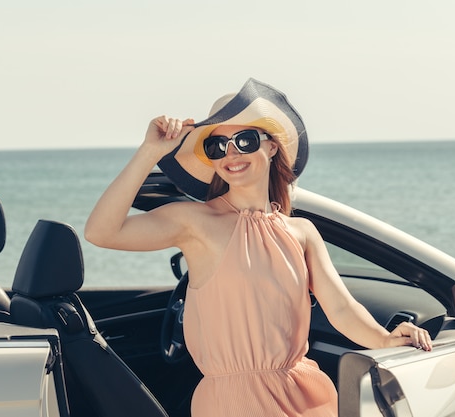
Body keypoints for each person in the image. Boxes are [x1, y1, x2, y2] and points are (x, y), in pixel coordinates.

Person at [85, 78, 432, 417]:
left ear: (271, 145)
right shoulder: (196, 222)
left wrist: (385, 340)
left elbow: (341, 309)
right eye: (216, 147)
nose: (230, 154)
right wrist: (150, 152)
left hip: (304, 393)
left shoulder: (301, 232)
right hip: (232, 401)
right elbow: (101, 232)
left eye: (244, 140)